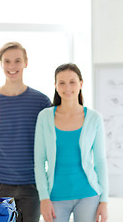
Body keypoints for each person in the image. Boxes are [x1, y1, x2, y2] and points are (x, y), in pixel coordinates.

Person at [0, 41, 51, 221]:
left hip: (31, 186)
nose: (12, 66)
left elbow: (51, 143)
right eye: (7, 61)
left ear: (26, 63)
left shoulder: (41, 102)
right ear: (1, 64)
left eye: (17, 61)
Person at [34, 63, 109, 222]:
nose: (67, 87)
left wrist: (104, 200)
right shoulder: (45, 117)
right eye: (61, 82)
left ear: (81, 83)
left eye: (72, 82)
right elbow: (39, 161)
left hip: (89, 195)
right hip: (55, 197)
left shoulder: (94, 118)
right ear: (55, 86)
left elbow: (100, 161)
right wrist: (44, 198)